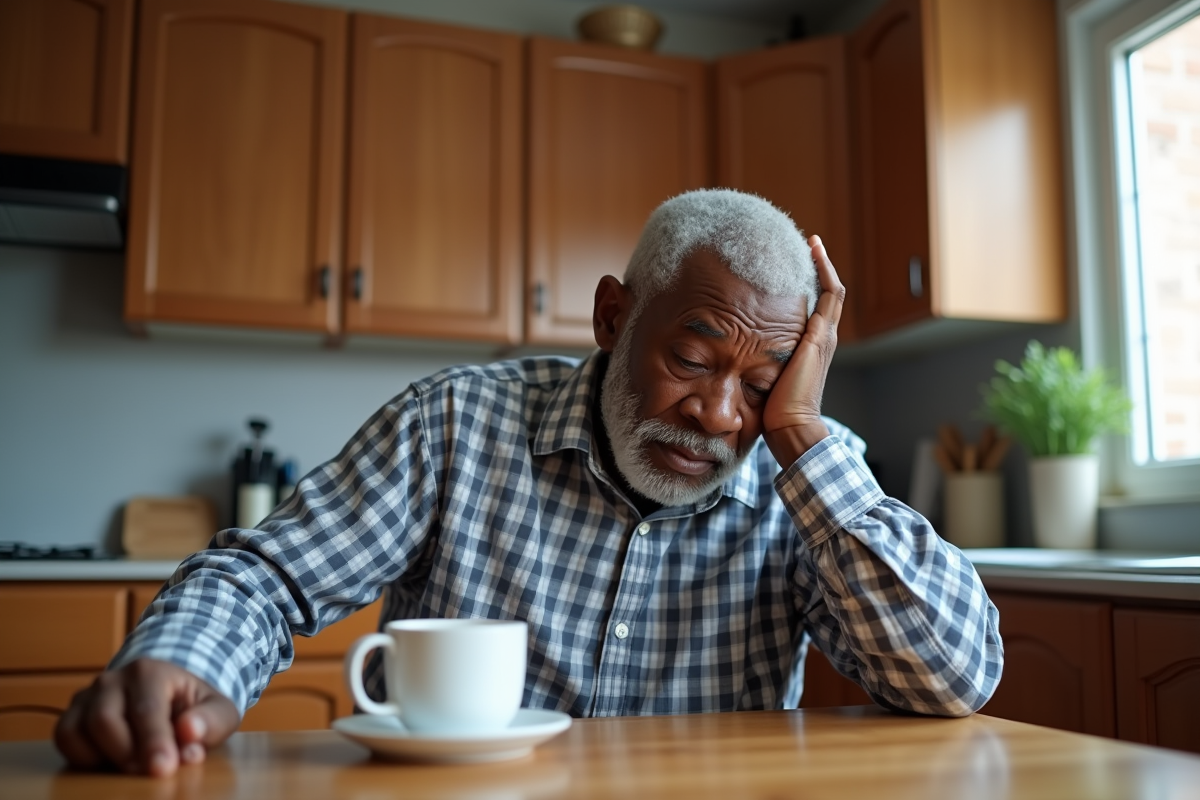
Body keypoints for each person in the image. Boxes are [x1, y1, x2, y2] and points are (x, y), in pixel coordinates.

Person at [55, 189, 1003, 777]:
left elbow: (953, 680)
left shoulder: (800, 483)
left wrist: (800, 433)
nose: (718, 415)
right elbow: (265, 577)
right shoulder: (456, 423)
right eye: (690, 358)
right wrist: (189, 665)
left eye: (761, 386)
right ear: (612, 317)